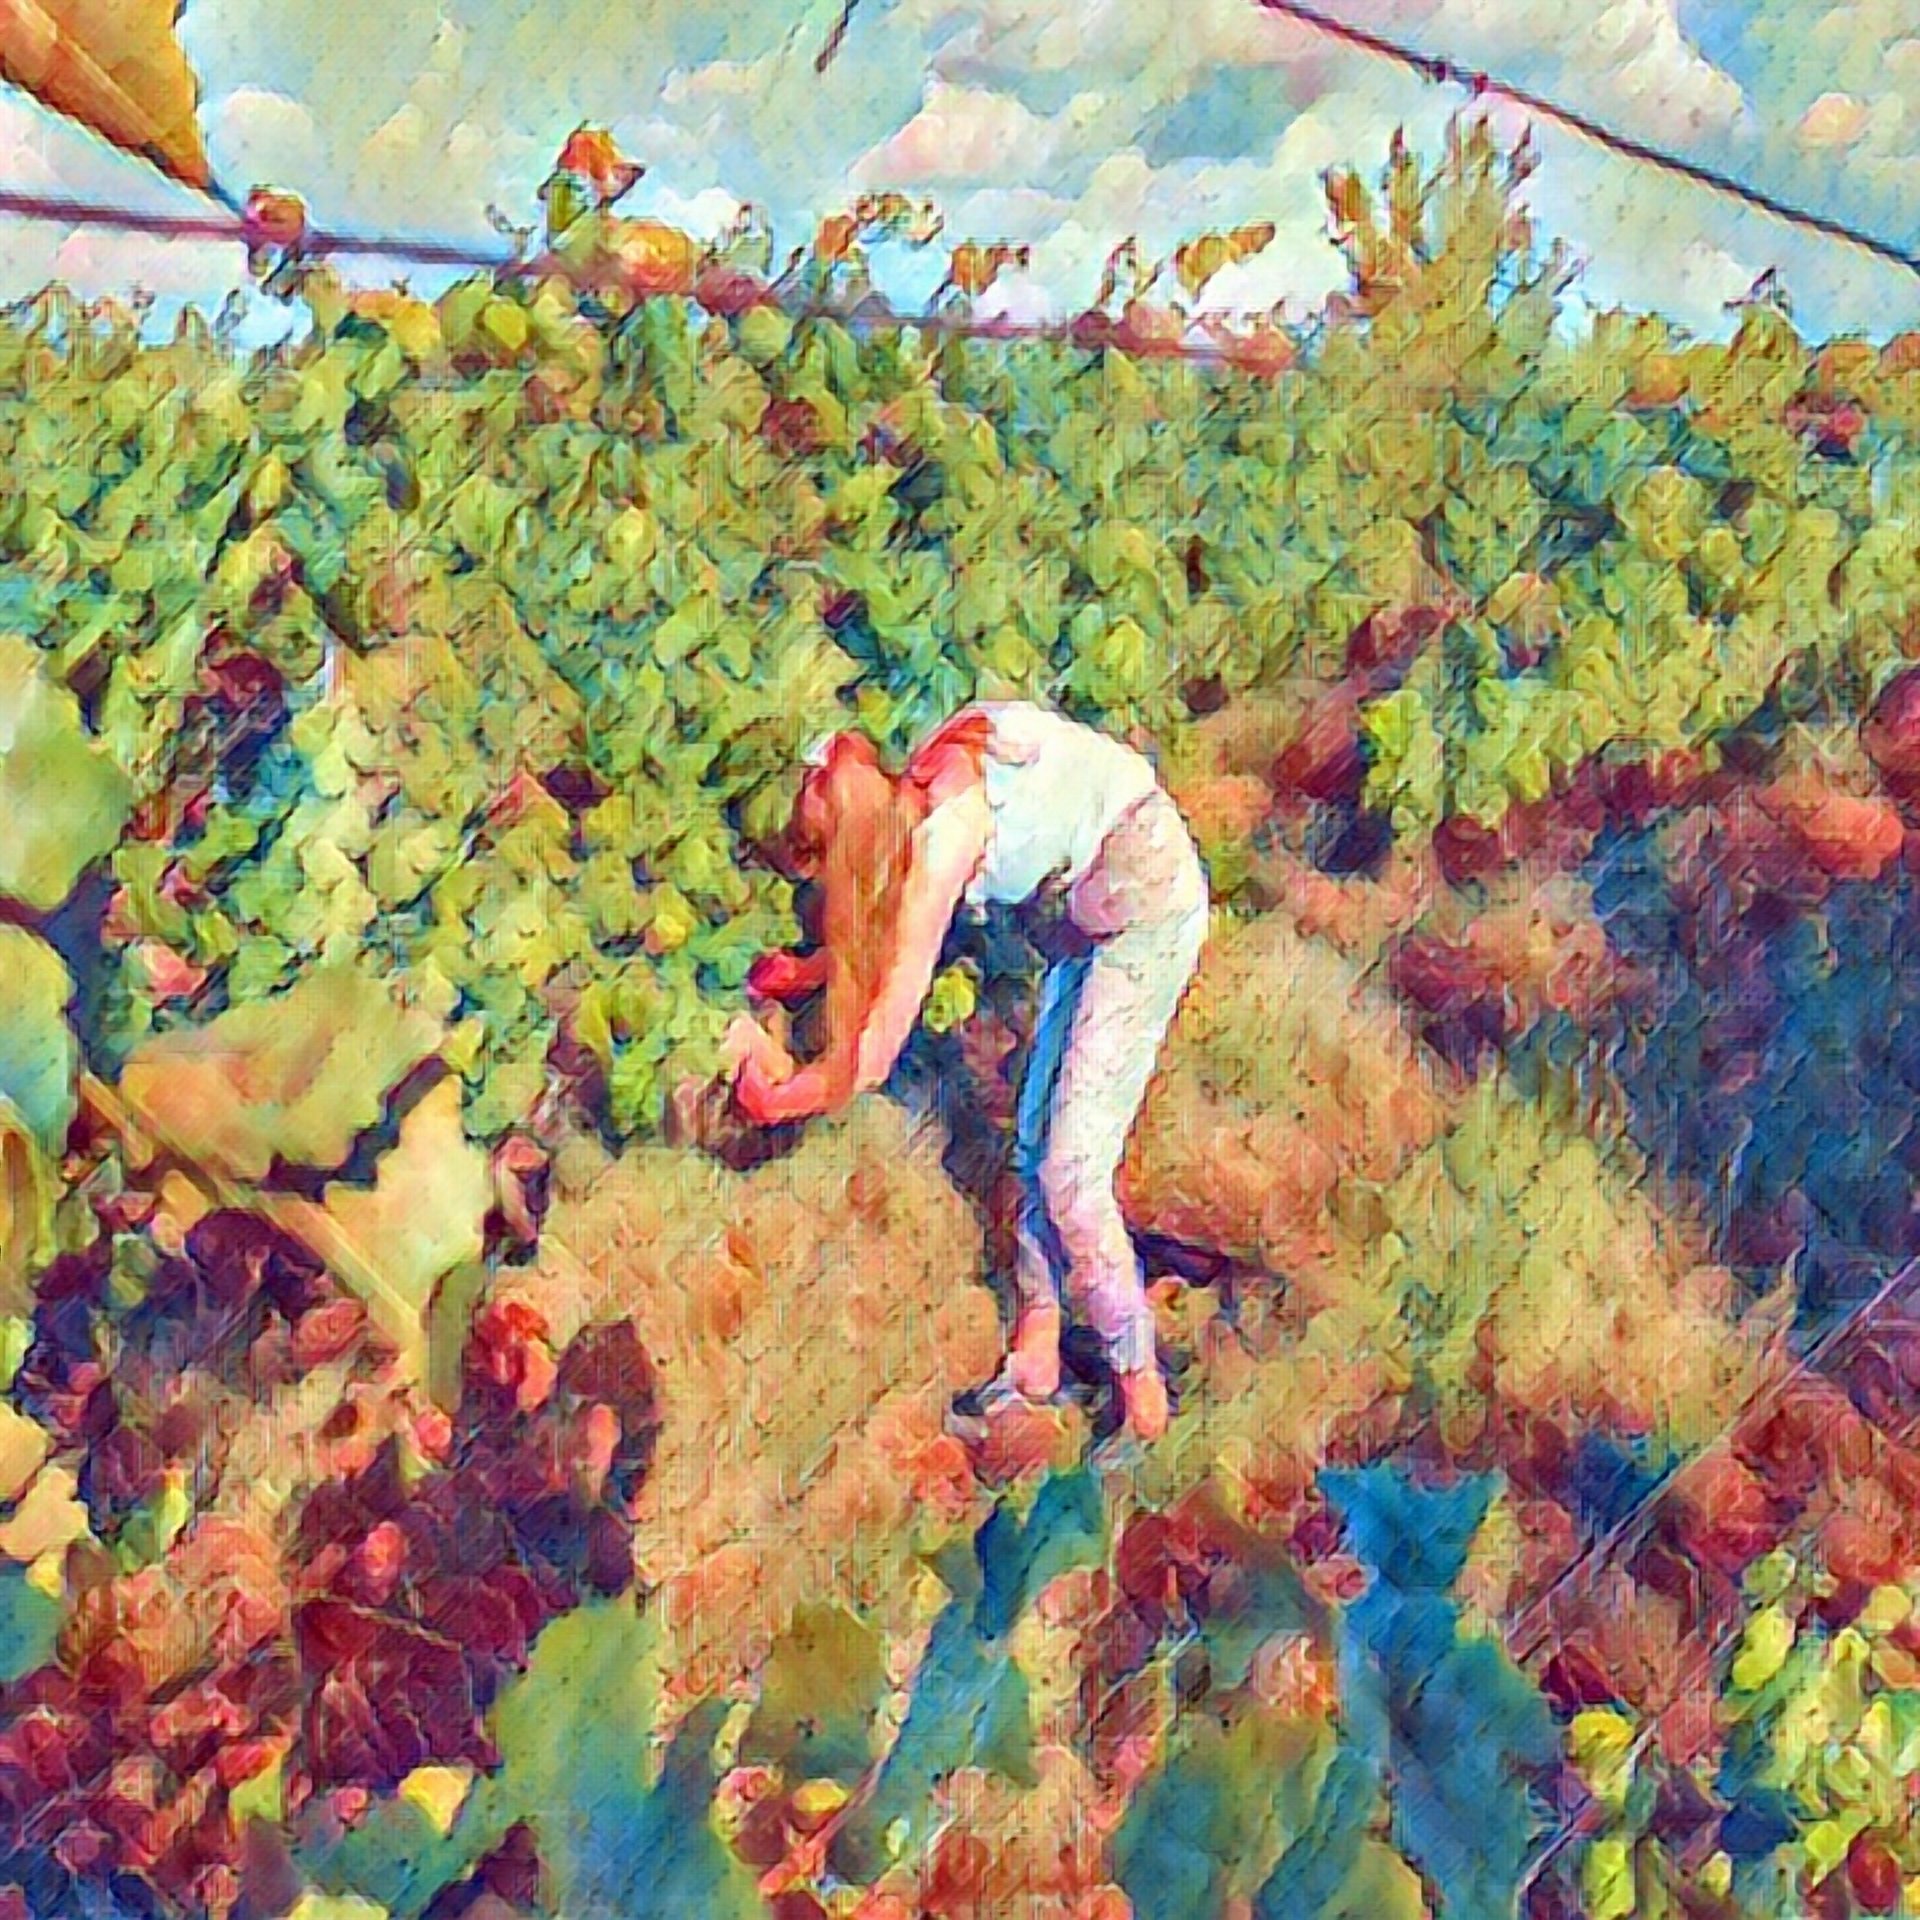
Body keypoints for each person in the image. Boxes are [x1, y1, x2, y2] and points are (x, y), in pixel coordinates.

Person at [727, 701, 1211, 1441]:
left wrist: (780, 1098)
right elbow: (883, 917)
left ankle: (1139, 1381)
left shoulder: (945, 834)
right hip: (1089, 918)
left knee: (1071, 1174)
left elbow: (873, 1053)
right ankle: (1039, 1345)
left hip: (1148, 911)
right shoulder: (918, 791)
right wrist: (811, 971)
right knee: (1034, 1143)